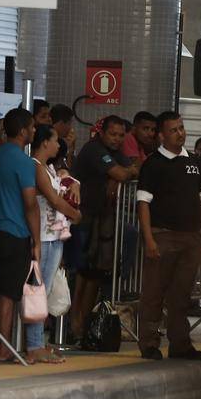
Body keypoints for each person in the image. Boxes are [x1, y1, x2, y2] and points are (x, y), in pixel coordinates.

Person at [135, 112, 201, 361]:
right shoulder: (153, 163)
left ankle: (180, 344)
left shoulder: (193, 162)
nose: (180, 133)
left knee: (182, 294)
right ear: (161, 135)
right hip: (163, 235)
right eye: (174, 130)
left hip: (190, 237)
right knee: (154, 292)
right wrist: (149, 239)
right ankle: (149, 343)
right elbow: (143, 203)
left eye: (182, 128)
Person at [67, 115, 137, 347]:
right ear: (102, 133)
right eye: (113, 134)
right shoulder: (94, 150)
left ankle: (85, 325)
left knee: (95, 275)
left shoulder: (114, 153)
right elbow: (122, 172)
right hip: (82, 219)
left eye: (121, 135)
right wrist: (117, 177)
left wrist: (118, 178)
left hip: (100, 221)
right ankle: (73, 326)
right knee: (80, 274)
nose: (117, 139)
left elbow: (133, 167)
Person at [0, 109, 39, 363]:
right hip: (15, 230)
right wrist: (36, 240)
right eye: (33, 127)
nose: (35, 131)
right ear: (23, 130)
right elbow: (30, 202)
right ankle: (3, 347)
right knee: (8, 293)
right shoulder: (23, 161)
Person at [28, 125, 80, 363]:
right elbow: (54, 200)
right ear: (44, 143)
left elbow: (65, 180)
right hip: (44, 237)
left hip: (52, 236)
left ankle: (38, 340)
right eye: (55, 140)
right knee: (39, 291)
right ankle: (34, 344)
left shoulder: (48, 168)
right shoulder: (36, 167)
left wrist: (74, 184)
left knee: (44, 291)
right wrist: (75, 214)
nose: (59, 145)